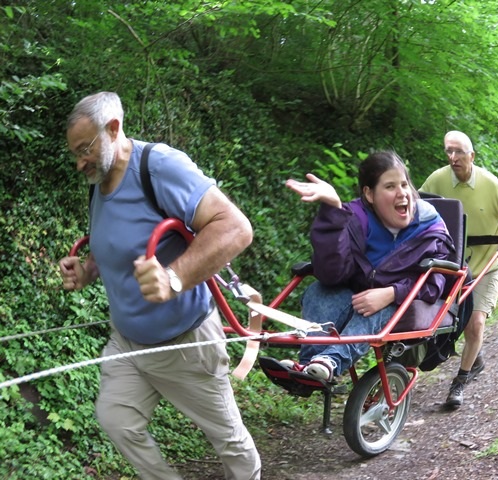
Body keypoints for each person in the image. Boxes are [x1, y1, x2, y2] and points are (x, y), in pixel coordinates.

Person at [59, 92, 261, 480]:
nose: (79, 161)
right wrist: (87, 271)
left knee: (228, 439)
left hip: (183, 343)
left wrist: (173, 277)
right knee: (116, 419)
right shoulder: (98, 183)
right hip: (127, 343)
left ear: (113, 129)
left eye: (85, 148)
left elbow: (235, 227)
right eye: (75, 153)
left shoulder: (158, 166)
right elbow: (115, 247)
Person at [274, 151, 455, 383]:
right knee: (319, 291)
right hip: (356, 290)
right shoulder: (352, 218)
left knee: (375, 307)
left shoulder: (431, 229)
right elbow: (332, 274)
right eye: (390, 187)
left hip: (402, 299)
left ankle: (331, 360)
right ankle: (309, 364)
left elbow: (436, 282)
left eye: (404, 184)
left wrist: (392, 293)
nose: (402, 193)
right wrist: (332, 209)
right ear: (369, 194)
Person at [419, 130, 498, 409]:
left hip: (485, 265)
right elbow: (417, 210)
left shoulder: (489, 184)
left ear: (471, 156)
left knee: (475, 322)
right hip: (451, 265)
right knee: (448, 322)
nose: (453, 158)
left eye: (458, 152)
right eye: (448, 152)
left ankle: (460, 381)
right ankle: (473, 356)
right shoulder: (437, 180)